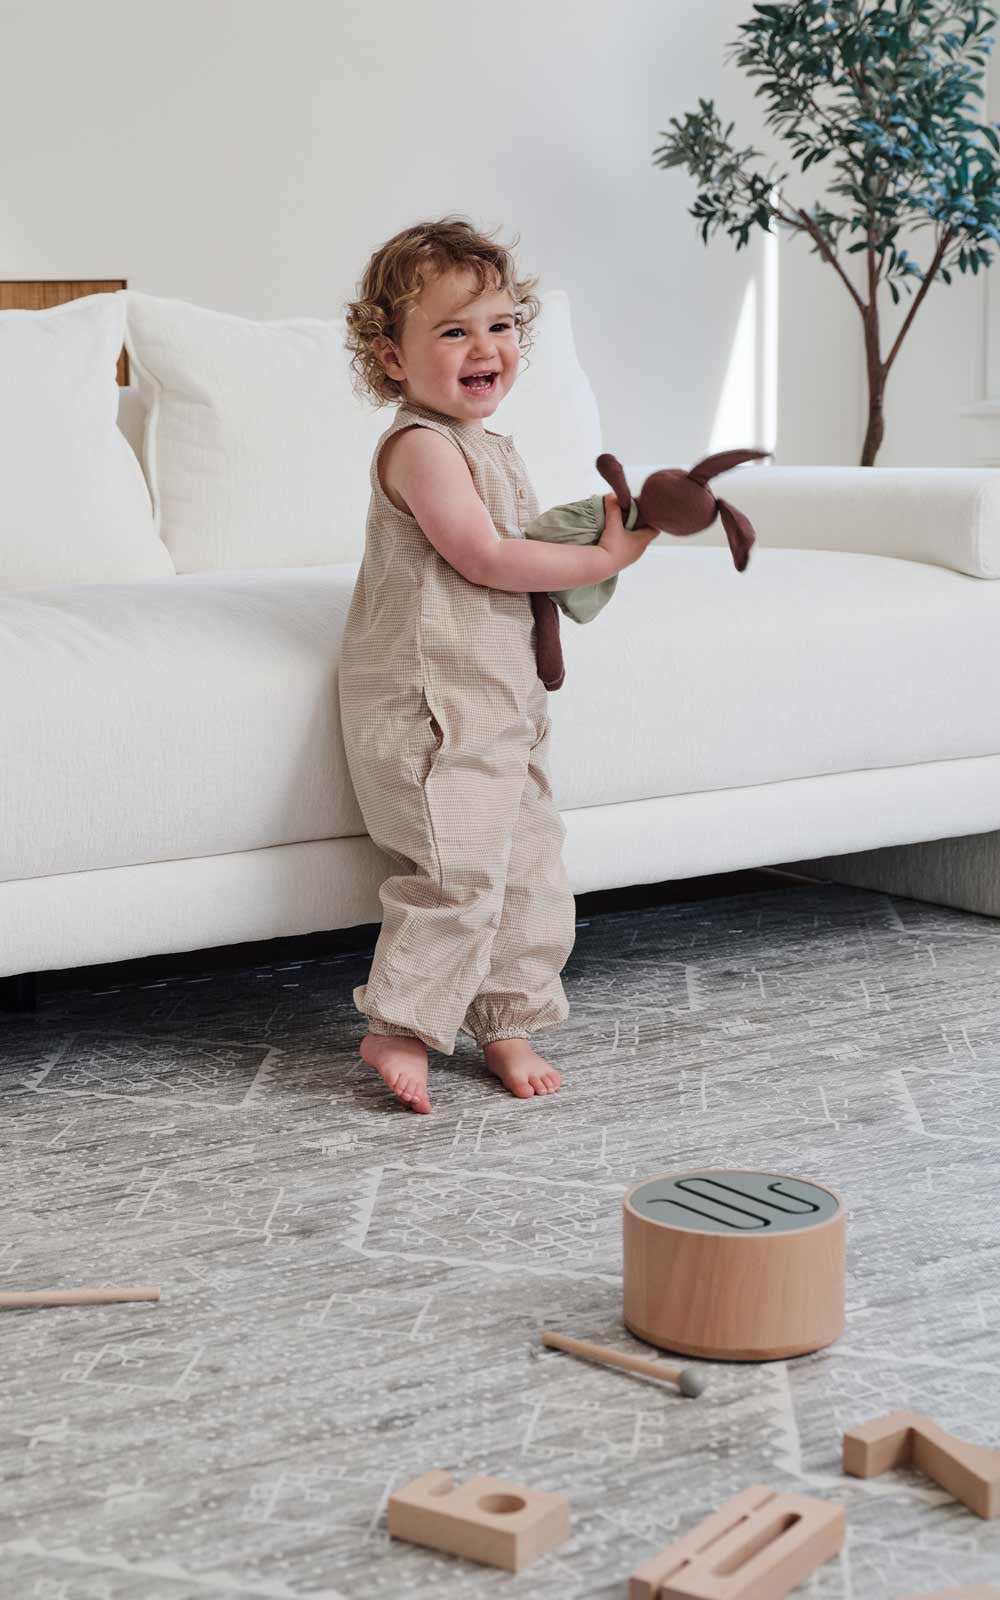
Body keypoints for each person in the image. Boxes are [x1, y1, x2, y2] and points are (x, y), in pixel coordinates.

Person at [338, 216, 658, 1114]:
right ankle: (398, 1024)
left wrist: (586, 528)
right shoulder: (421, 448)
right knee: (457, 867)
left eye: (502, 325)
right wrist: (600, 562)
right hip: (432, 705)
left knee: (528, 864)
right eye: (453, 330)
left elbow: (518, 547)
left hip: (500, 700)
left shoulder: (491, 447)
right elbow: (483, 557)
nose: (486, 347)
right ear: (392, 357)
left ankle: (507, 1019)